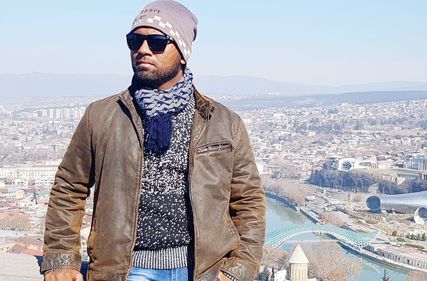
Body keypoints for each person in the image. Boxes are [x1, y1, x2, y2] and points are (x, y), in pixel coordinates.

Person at [41, 1, 266, 280]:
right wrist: (61, 261)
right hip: (125, 269)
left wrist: (238, 271)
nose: (143, 50)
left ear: (183, 53)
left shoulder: (223, 123)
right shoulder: (101, 116)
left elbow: (249, 203)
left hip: (203, 270)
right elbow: (68, 187)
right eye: (135, 41)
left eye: (157, 42)